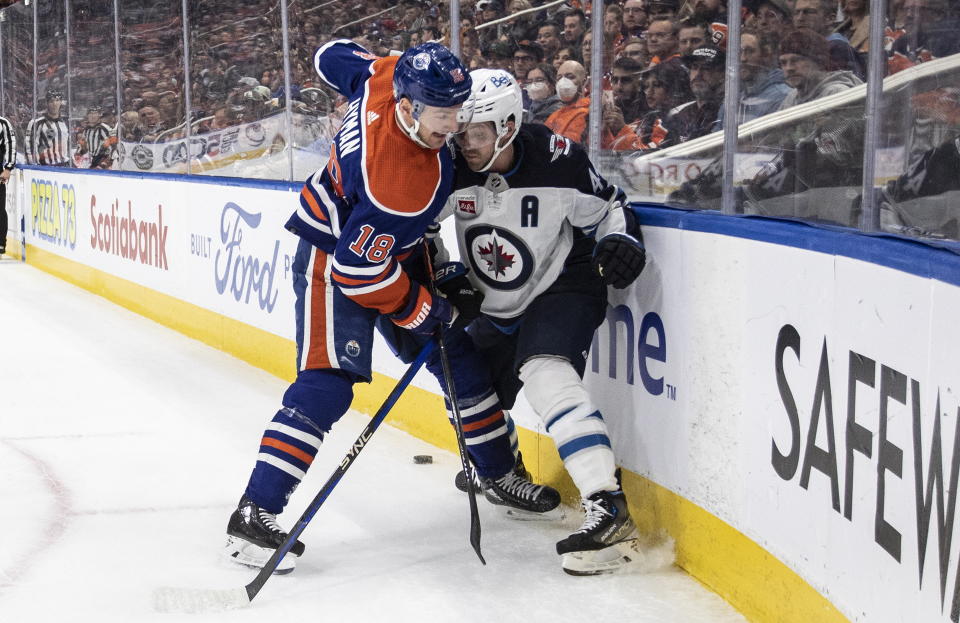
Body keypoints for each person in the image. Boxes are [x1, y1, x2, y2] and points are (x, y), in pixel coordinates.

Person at [224, 40, 560, 574]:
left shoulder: (386, 77)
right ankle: (254, 513)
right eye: (442, 115)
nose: (453, 127)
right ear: (407, 105)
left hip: (385, 244)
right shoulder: (404, 184)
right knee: (328, 382)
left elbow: (330, 55)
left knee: (461, 356)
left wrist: (437, 280)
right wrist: (426, 310)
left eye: (458, 110)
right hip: (335, 255)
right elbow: (357, 274)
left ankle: (496, 473)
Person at [447, 68, 647, 575]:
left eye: (477, 133)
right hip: (494, 298)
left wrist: (621, 240)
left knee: (546, 373)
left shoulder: (559, 160)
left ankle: (607, 507)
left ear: (509, 127)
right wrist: (446, 271)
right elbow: (422, 228)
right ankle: (504, 470)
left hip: (562, 284)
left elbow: (609, 208)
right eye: (460, 130)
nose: (465, 144)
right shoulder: (445, 164)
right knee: (464, 385)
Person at [544, 60, 590, 143]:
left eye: (570, 77)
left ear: (584, 81)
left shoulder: (588, 113)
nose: (563, 82)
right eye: (559, 78)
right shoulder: (556, 114)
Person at [25, 90, 70, 167]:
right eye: (51, 101)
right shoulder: (37, 123)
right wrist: (33, 166)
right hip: (45, 167)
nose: (54, 104)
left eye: (57, 100)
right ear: (47, 103)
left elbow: (67, 145)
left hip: (64, 167)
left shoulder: (64, 123)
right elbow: (29, 146)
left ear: (61, 102)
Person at [0, 113, 15, 257]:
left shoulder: (3, 123)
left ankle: (0, 243)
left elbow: (11, 144)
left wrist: (8, 168)